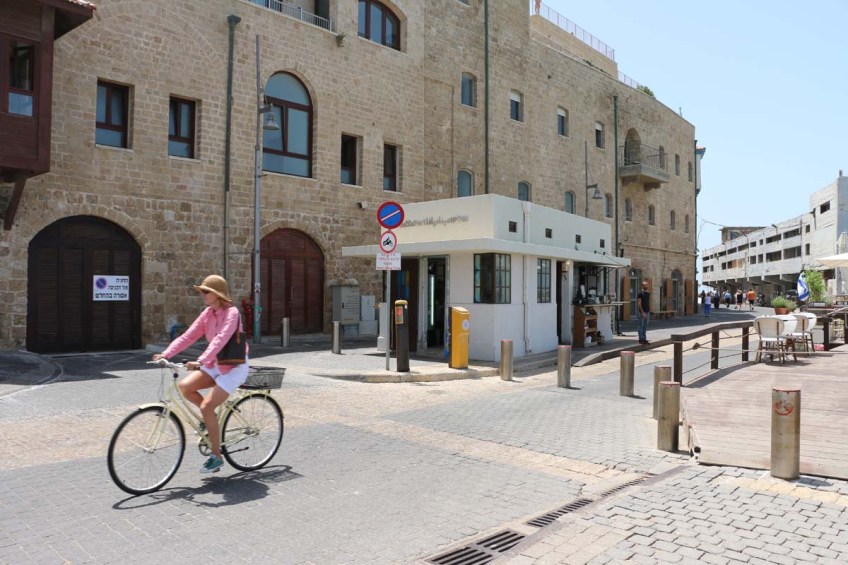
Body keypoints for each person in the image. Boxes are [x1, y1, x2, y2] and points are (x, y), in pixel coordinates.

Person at [152, 274, 249, 474]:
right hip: (215, 363)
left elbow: (220, 339)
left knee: (206, 406)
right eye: (201, 291)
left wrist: (201, 361)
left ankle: (216, 456)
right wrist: (166, 353)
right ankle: (210, 418)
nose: (202, 295)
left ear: (217, 294)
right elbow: (189, 336)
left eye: (206, 291)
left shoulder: (232, 313)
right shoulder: (207, 313)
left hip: (234, 367)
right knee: (185, 387)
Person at [636, 280, 651, 344]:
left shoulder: (648, 293)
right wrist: (642, 312)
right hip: (642, 312)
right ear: (642, 286)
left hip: (647, 311)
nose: (645, 286)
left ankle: (644, 338)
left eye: (646, 285)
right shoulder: (640, 293)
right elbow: (639, 303)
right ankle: (641, 339)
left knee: (645, 326)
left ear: (648, 285)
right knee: (641, 325)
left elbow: (647, 302)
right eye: (644, 285)